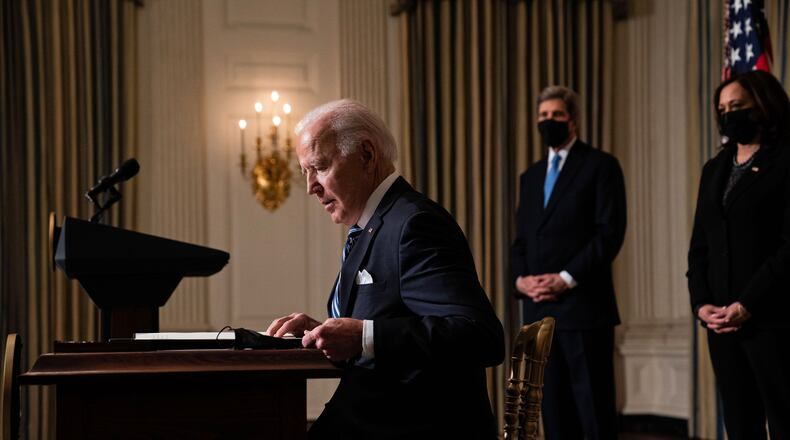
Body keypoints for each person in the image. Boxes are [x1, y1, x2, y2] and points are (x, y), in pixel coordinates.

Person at [266, 99, 505, 439]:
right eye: (305, 172)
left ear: (366, 155)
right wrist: (326, 334)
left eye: (318, 167)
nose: (310, 187)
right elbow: (387, 328)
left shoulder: (414, 224)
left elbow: (479, 336)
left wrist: (362, 336)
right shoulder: (373, 226)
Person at [510, 86, 626, 439]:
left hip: (584, 309)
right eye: (543, 116)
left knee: (594, 414)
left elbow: (609, 234)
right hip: (538, 314)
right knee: (554, 414)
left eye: (556, 115)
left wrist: (565, 278)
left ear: (572, 120)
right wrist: (519, 280)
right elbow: (521, 241)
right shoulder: (530, 177)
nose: (549, 121)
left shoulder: (601, 166)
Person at [687, 70, 790, 440]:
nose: (729, 114)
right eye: (723, 108)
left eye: (738, 106)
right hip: (721, 324)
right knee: (740, 422)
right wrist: (702, 305)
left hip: (774, 320)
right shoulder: (714, 169)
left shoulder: (785, 160)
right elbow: (699, 249)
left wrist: (747, 303)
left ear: (763, 106)